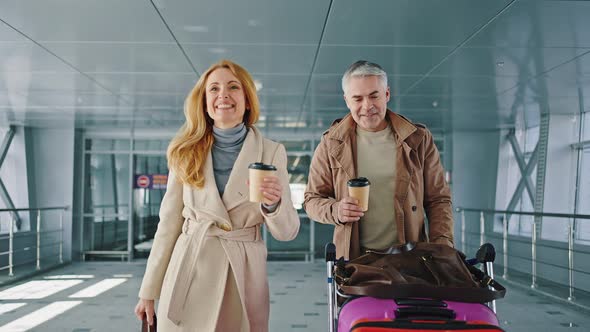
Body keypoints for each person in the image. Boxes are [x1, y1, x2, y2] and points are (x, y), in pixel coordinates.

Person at [134, 59, 300, 331]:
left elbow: (287, 231)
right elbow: (168, 224)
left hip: (242, 272)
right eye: (214, 89)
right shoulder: (184, 151)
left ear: (247, 101)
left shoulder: (271, 152)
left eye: (233, 87)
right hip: (190, 269)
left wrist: (274, 205)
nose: (223, 94)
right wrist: (148, 290)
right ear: (204, 101)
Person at [303, 60, 453, 260]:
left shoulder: (418, 139)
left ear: (387, 94)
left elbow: (438, 200)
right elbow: (312, 200)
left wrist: (442, 246)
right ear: (347, 100)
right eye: (357, 99)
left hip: (410, 257)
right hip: (354, 260)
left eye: (374, 96)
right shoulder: (330, 143)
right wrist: (335, 210)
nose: (368, 106)